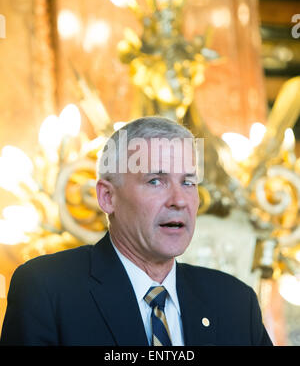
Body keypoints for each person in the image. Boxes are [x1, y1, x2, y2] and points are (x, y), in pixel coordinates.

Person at [0, 116, 273, 346]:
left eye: (188, 182)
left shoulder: (235, 301)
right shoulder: (47, 289)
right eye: (156, 181)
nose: (179, 200)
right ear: (107, 197)